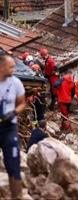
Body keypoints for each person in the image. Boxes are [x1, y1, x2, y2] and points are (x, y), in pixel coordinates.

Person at [0, 54, 26, 198]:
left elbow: (22, 103)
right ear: (1, 67)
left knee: (13, 165)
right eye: (11, 67)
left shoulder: (16, 82)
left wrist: (14, 112)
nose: (13, 70)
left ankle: (17, 196)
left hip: (9, 128)